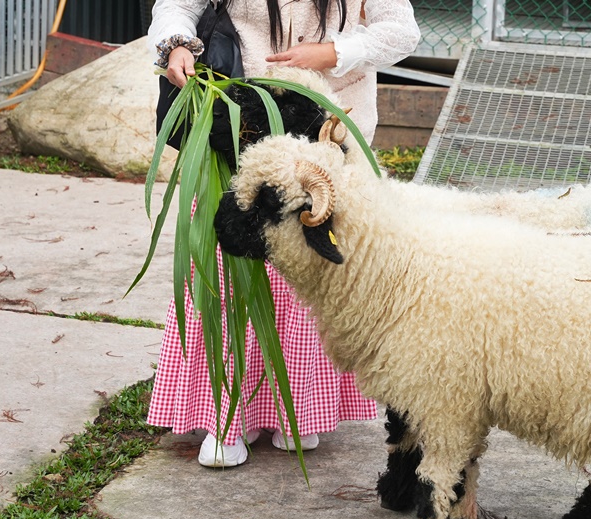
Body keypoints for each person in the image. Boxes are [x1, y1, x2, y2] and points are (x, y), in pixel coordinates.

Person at [146, 0, 421, 467]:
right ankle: (227, 415)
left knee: (310, 280)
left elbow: (401, 31)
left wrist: (333, 52)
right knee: (229, 266)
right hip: (239, 130)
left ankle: (293, 412)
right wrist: (176, 45)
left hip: (327, 138)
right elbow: (176, 5)